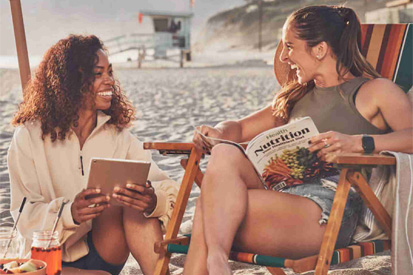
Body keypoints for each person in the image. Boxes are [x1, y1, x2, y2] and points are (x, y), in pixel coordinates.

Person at [185, 5, 413, 275]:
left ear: (320, 49)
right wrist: (218, 132)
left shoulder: (375, 91)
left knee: (207, 207)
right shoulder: (295, 97)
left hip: (329, 210)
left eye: (290, 47)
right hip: (282, 195)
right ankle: (218, 262)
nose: (283, 57)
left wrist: (361, 142)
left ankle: (213, 262)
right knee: (224, 153)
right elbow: (238, 127)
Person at [8, 34, 178, 275]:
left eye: (109, 72)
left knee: (135, 201)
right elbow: (23, 214)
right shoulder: (29, 136)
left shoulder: (118, 136)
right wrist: (70, 213)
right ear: (71, 81)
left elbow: (169, 188)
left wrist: (153, 201)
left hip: (106, 251)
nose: (109, 81)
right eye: (98, 74)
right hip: (47, 259)